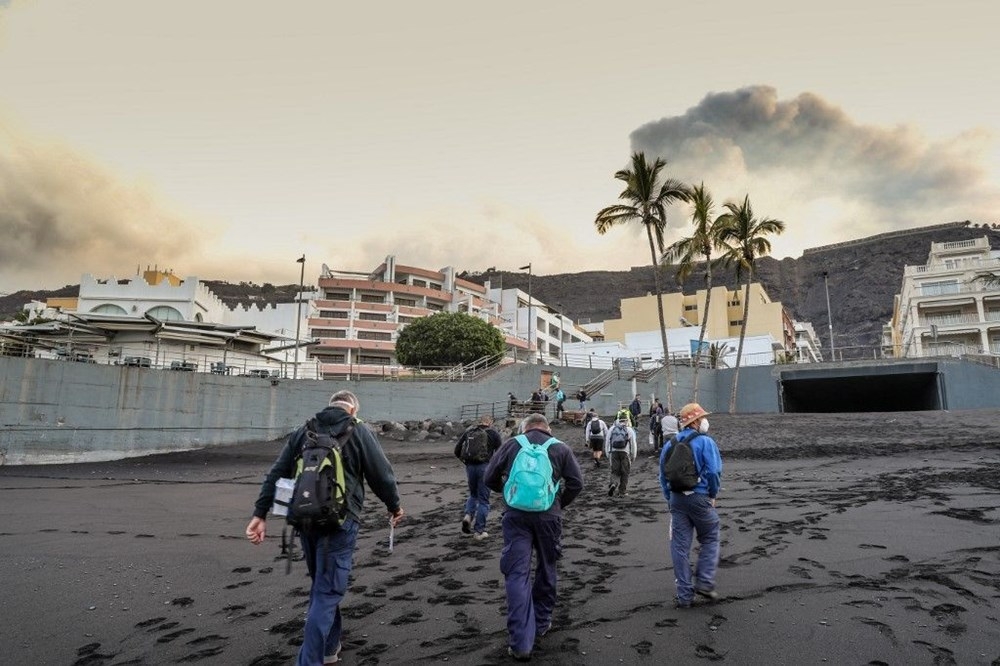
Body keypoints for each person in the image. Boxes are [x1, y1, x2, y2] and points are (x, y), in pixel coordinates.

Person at [245, 390, 404, 666]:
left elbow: (277, 473)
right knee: (327, 592)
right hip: (342, 523)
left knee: (322, 585)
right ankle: (309, 661)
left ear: (330, 406)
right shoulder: (359, 431)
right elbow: (382, 475)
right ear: (352, 409)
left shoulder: (303, 431)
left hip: (305, 520)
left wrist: (260, 514)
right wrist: (394, 506)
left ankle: (330, 648)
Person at [485, 414, 584, 662]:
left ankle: (520, 642)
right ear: (547, 428)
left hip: (516, 516)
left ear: (524, 427)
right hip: (549, 517)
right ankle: (541, 622)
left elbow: (489, 478)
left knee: (517, 574)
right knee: (546, 567)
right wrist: (558, 502)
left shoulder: (511, 444)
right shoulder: (560, 448)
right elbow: (576, 483)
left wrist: (510, 493)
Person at [658, 403, 723, 609]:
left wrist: (670, 499)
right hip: (700, 497)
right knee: (710, 537)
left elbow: (662, 476)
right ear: (695, 421)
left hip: (677, 499)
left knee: (679, 547)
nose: (705, 420)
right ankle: (704, 581)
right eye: (702, 417)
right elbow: (713, 472)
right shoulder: (705, 442)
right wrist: (712, 494)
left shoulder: (670, 444)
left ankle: (684, 596)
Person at [454, 414, 503, 540]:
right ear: (490, 422)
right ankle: (479, 531)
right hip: (485, 467)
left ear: (479, 422)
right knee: (484, 500)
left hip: (470, 467)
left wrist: (465, 462)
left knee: (473, 494)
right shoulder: (493, 433)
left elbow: (457, 450)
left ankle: (468, 515)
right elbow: (501, 453)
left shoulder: (469, 431)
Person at [604, 416, 637, 497]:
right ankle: (622, 491)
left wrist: (607, 453)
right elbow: (633, 444)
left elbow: (607, 441)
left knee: (615, 471)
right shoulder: (629, 429)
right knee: (625, 472)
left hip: (614, 452)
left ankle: (613, 484)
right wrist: (634, 455)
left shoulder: (612, 429)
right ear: (626, 421)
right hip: (625, 453)